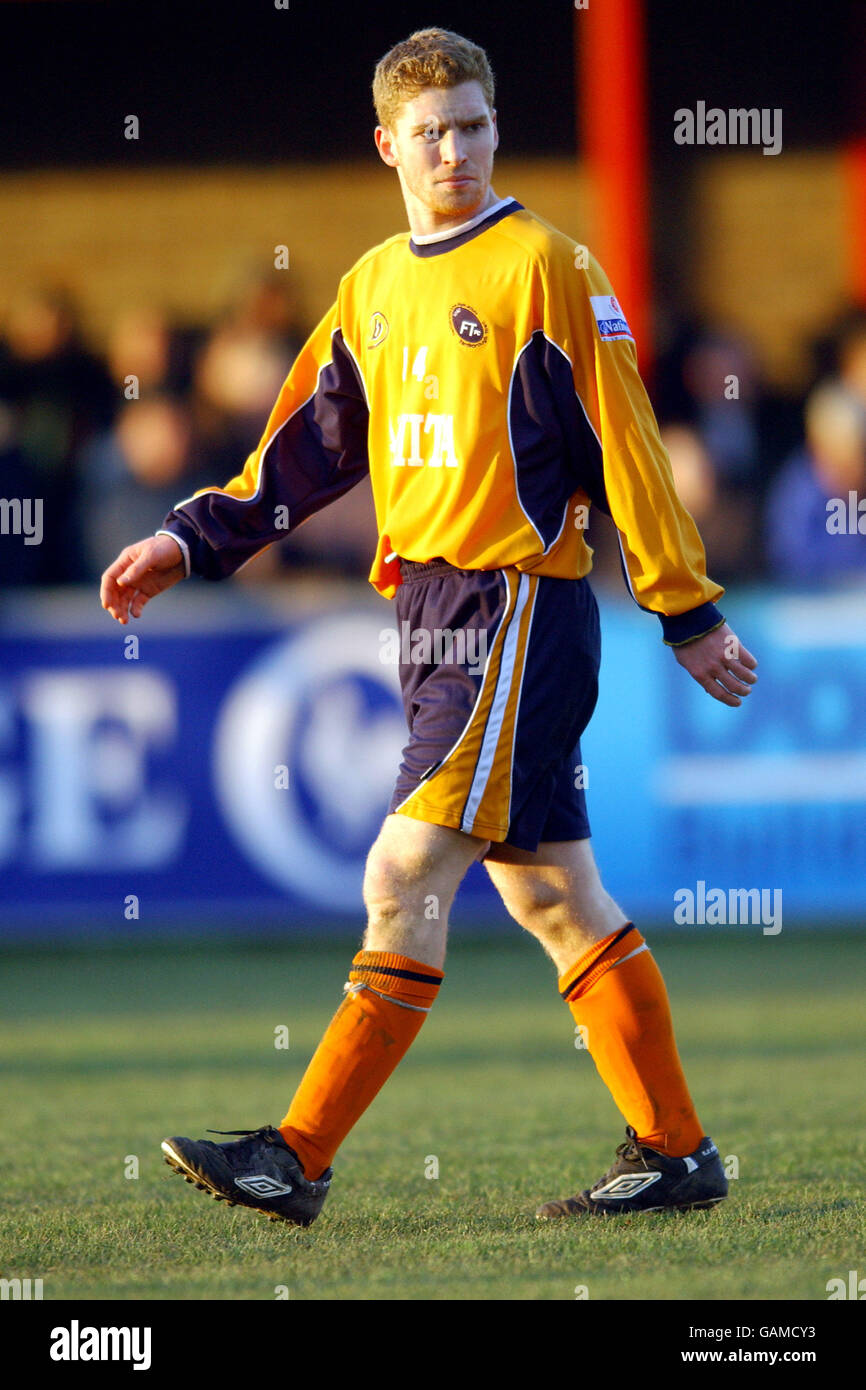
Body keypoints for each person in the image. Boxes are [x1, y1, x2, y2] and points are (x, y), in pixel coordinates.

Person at [100, 28, 758, 1226]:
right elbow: (305, 445)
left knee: (402, 872)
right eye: (428, 132)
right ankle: (674, 1154)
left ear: (495, 127)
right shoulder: (373, 286)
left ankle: (293, 1155)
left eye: (471, 125)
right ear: (386, 145)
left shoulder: (547, 267)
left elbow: (628, 446)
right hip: (429, 614)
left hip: (513, 607)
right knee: (552, 895)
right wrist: (191, 538)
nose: (452, 149)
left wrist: (684, 607)